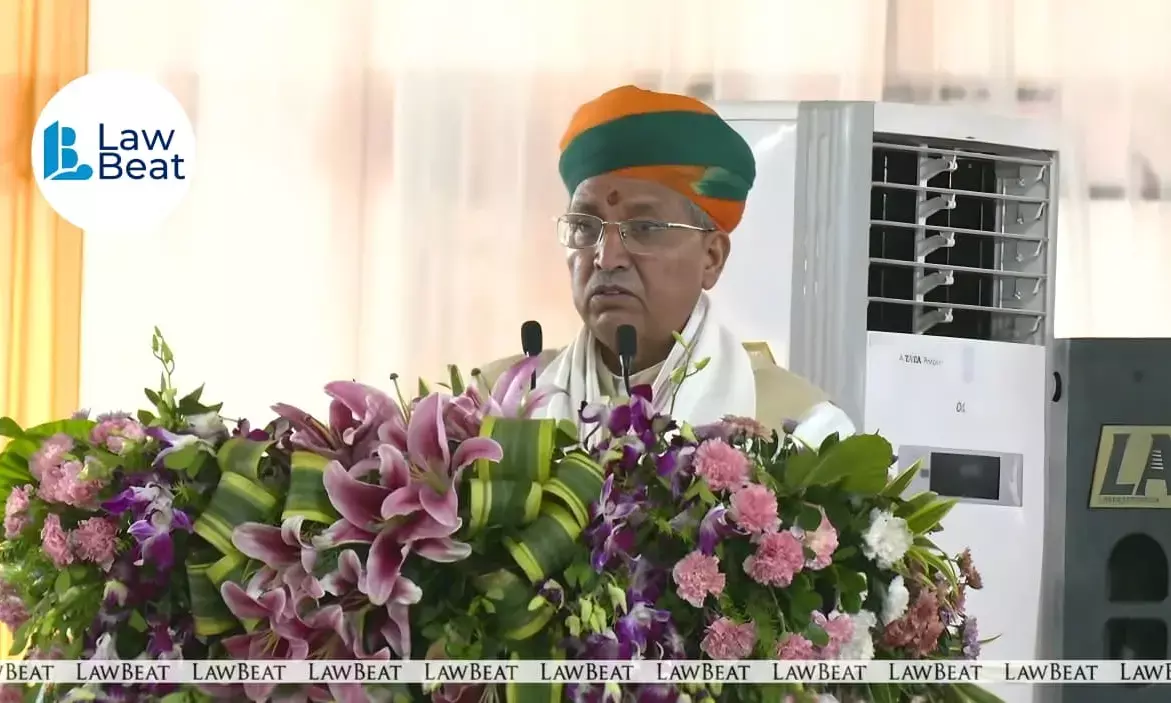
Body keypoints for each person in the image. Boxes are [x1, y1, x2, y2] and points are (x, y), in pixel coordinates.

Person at [479, 85, 837, 432]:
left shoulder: (799, 428)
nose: (606, 257)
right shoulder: (493, 406)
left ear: (711, 258)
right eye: (586, 227)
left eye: (645, 227)